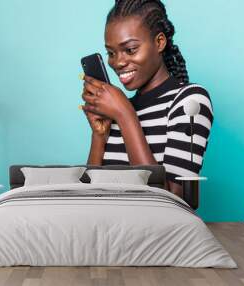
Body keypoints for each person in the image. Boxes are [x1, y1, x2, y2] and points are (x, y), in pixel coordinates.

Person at [80, 0, 214, 198]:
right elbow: (88, 192)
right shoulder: (117, 110)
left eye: (130, 49)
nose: (118, 62)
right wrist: (99, 136)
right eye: (111, 53)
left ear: (159, 42)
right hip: (107, 226)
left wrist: (126, 115)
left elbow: (171, 198)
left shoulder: (190, 101)